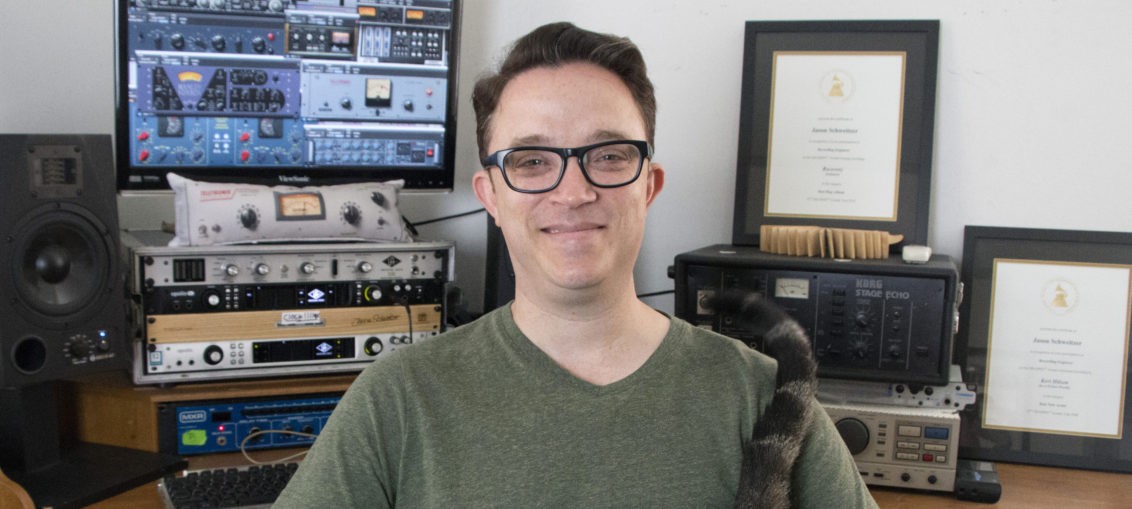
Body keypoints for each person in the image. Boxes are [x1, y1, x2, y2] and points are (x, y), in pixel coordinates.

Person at [274, 22, 877, 508]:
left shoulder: (761, 393)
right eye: (532, 161)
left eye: (608, 155)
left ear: (648, 185)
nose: (573, 192)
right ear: (490, 196)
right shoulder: (399, 397)